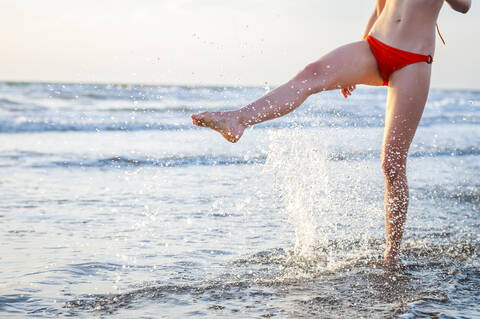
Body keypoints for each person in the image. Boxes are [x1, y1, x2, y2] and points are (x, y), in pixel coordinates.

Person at [191, 0, 471, 266]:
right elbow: (380, 7)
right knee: (310, 73)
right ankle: (239, 119)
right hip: (374, 47)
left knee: (392, 164)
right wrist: (359, 60)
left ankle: (392, 256)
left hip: (413, 60)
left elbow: (464, 6)